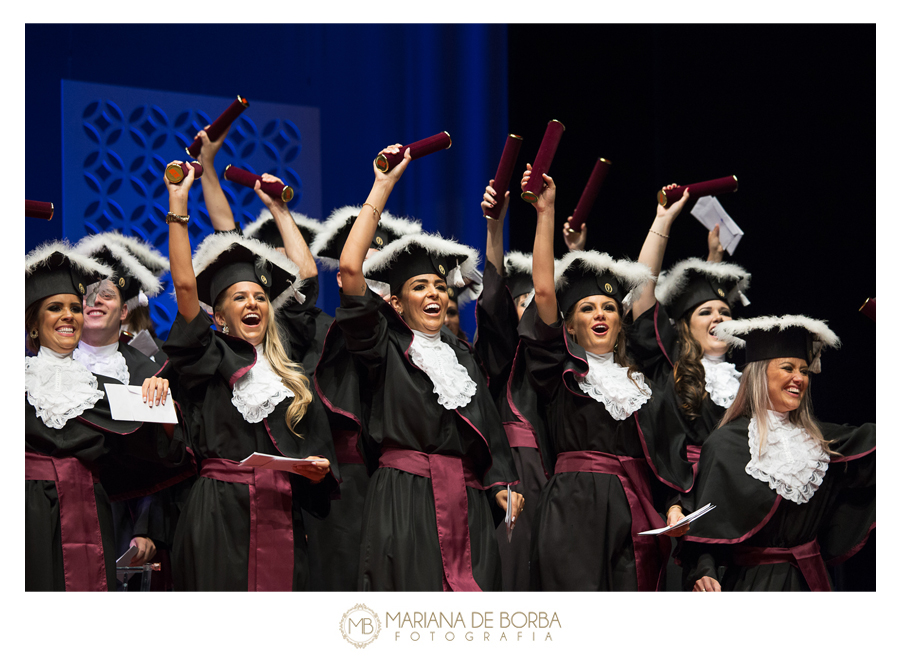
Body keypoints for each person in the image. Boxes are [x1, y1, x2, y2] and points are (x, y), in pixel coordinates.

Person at [316, 144, 523, 591]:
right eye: (418, 286)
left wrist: (501, 484)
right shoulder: (383, 346)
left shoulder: (460, 356)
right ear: (396, 299)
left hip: (467, 502)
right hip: (403, 498)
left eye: (438, 286)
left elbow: (488, 426)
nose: (433, 293)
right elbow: (351, 269)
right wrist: (383, 184)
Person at [508, 165, 694, 591]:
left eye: (608, 308)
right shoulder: (562, 371)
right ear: (569, 325)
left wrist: (662, 220)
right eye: (588, 308)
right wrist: (545, 213)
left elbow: (643, 289)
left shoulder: (639, 384)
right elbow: (544, 292)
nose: (601, 314)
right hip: (574, 509)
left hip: (635, 510)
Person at [161, 162, 337, 591]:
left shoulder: (284, 362)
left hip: (280, 506)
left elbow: (306, 278)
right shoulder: (207, 354)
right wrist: (178, 204)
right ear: (218, 315)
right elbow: (186, 288)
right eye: (239, 297)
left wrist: (280, 210)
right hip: (218, 511)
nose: (253, 302)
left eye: (260, 296)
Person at [25, 242, 186, 590]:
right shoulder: (24, 379)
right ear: (35, 324)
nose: (74, 313)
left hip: (96, 511)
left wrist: (167, 415)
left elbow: (161, 454)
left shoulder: (117, 383)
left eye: (73, 307)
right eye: (56, 307)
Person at [678, 315, 875, 591]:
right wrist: (704, 573)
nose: (799, 378)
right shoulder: (725, 444)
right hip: (754, 585)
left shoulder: (822, 441)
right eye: (788, 368)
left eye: (805, 371)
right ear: (760, 373)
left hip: (811, 583)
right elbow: (707, 530)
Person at [630, 185, 751, 464]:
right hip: (686, 489)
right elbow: (643, 290)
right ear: (684, 327)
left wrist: (714, 261)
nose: (718, 317)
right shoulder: (673, 367)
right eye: (705, 312)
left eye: (724, 311)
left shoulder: (746, 382)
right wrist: (663, 220)